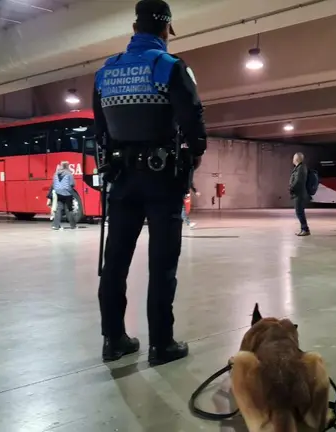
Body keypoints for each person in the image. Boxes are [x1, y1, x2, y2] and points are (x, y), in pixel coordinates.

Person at [94, 0, 207, 365]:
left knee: (115, 263)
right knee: (162, 265)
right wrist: (195, 154)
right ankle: (161, 344)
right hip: (162, 181)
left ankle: (113, 340)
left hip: (121, 180)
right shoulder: (170, 67)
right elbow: (193, 119)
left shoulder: (105, 72)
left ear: (134, 27)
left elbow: (100, 131)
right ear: (165, 30)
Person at [289, 152, 310, 236]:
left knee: (299, 212)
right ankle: (304, 229)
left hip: (299, 194)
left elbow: (298, 181)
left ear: (297, 159)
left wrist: (291, 188)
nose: (293, 159)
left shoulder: (301, 168)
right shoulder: (299, 168)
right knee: (300, 212)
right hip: (299, 193)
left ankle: (305, 229)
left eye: (294, 157)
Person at [52, 161, 77, 230]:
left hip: (58, 192)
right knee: (69, 209)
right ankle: (73, 225)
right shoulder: (69, 174)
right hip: (67, 193)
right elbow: (72, 184)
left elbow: (53, 184)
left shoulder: (56, 173)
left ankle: (55, 225)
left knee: (59, 209)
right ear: (67, 166)